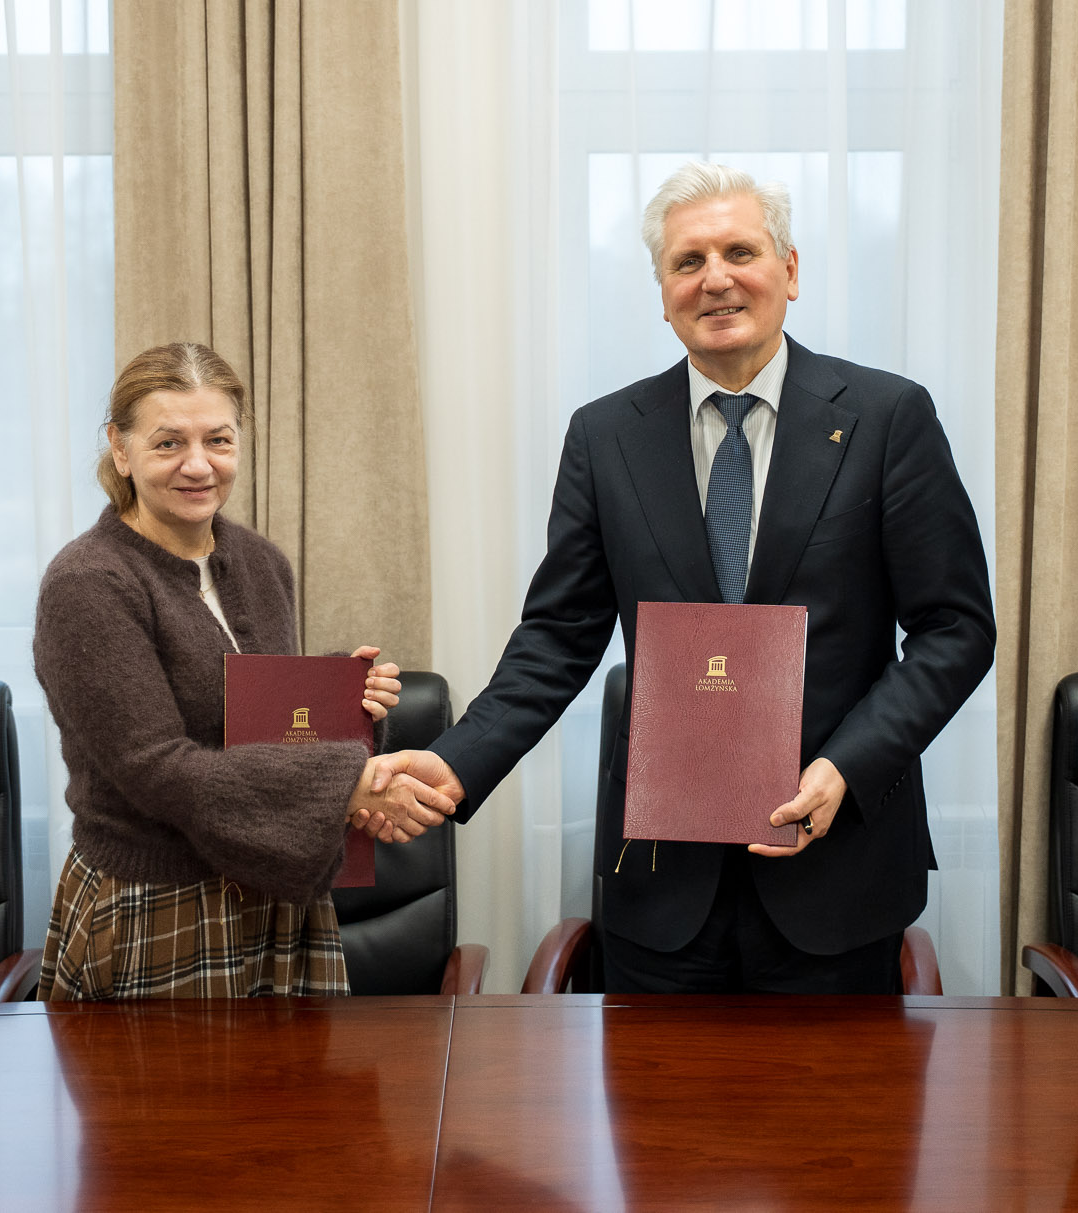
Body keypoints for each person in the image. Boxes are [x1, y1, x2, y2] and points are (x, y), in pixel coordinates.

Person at [377, 163, 995, 993]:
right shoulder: (606, 437)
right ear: (661, 289)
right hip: (662, 891)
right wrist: (459, 761)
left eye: (740, 251)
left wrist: (846, 766)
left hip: (836, 871)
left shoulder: (888, 418)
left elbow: (956, 628)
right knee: (660, 1125)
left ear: (790, 270)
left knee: (846, 1127)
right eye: (687, 261)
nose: (716, 279)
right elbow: (559, 636)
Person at [32, 342, 461, 999]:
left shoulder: (261, 562)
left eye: (219, 439)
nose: (198, 464)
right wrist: (346, 781)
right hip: (160, 906)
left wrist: (337, 700)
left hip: (277, 890)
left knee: (293, 1103)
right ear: (120, 448)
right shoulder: (87, 582)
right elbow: (158, 767)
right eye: (169, 442)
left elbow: (255, 733)